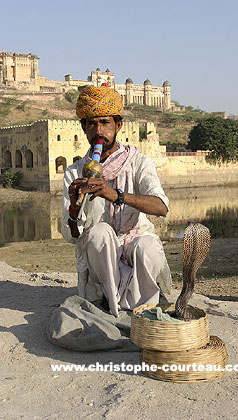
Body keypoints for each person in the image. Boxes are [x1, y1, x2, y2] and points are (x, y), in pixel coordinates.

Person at [61, 84, 172, 317]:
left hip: (134, 244)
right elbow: (72, 237)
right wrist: (74, 209)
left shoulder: (138, 162)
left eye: (104, 123)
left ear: (118, 125)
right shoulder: (75, 172)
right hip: (101, 257)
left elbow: (161, 207)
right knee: (100, 232)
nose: (98, 131)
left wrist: (117, 196)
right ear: (84, 129)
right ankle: (114, 301)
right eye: (91, 124)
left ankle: (135, 301)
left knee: (148, 245)